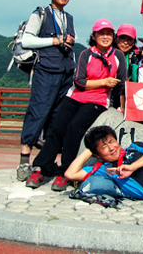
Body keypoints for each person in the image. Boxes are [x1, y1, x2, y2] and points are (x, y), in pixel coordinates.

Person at [26, 19, 127, 191]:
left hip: (99, 100)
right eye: (101, 33)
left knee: (75, 127)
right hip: (76, 96)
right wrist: (104, 81)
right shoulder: (86, 54)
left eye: (108, 33)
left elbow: (122, 84)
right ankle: (41, 166)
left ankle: (65, 170)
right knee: (57, 127)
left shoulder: (118, 56)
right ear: (94, 36)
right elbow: (79, 82)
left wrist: (123, 108)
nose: (105, 36)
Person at [16, 0, 77, 181]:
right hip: (45, 71)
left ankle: (46, 162)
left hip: (65, 74)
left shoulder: (69, 18)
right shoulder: (40, 14)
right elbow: (27, 40)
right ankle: (24, 161)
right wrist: (55, 40)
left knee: (56, 119)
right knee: (37, 113)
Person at [111, 23, 140, 109]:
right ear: (116, 39)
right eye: (122, 38)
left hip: (127, 95)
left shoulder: (135, 57)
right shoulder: (108, 54)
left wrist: (135, 64)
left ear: (134, 42)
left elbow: (135, 81)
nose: (125, 42)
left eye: (129, 39)